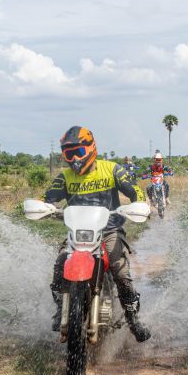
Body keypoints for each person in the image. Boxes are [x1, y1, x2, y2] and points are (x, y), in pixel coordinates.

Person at [44, 126, 152, 342]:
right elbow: (48, 198)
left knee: (121, 274)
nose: (74, 158)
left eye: (79, 152)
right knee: (59, 267)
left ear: (91, 148)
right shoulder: (65, 177)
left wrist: (140, 204)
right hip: (78, 233)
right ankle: (61, 309)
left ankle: (133, 321)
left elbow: (134, 190)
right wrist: (43, 207)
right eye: (69, 153)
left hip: (108, 231)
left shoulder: (112, 170)